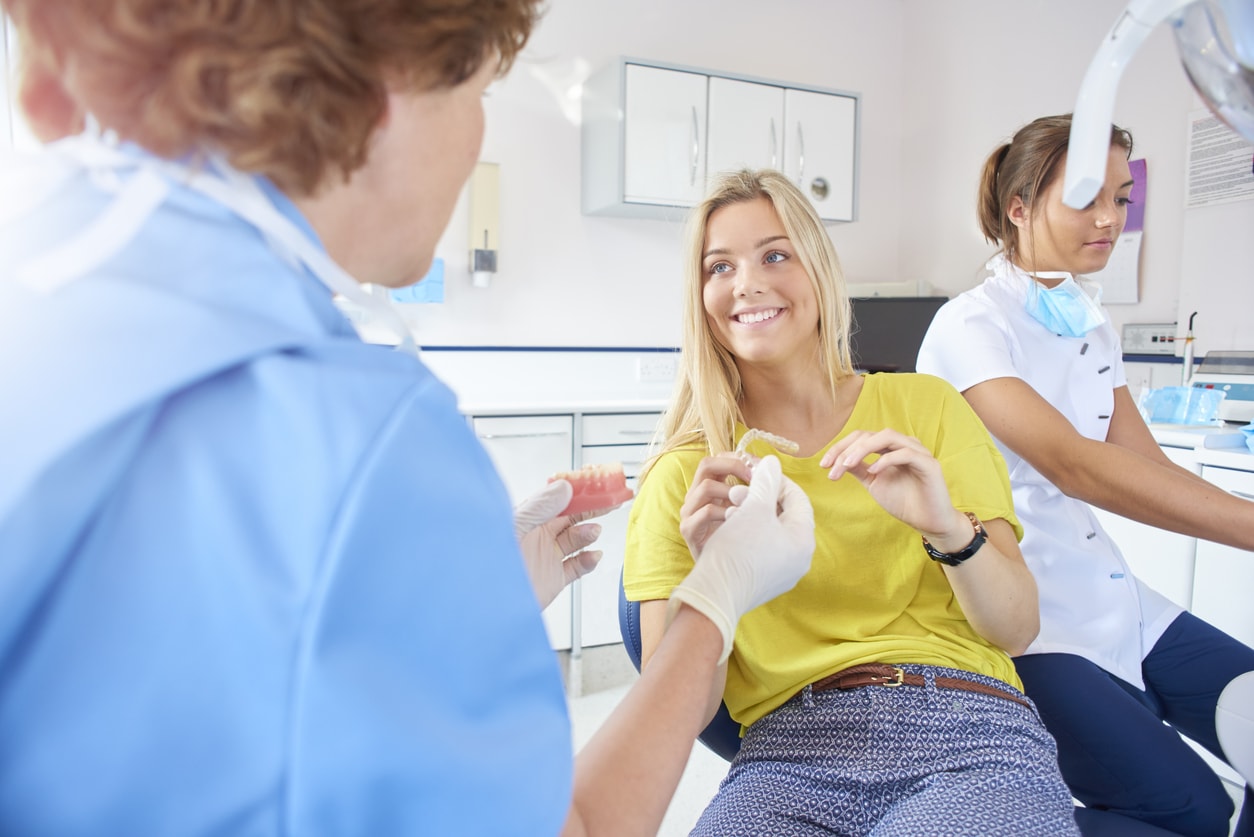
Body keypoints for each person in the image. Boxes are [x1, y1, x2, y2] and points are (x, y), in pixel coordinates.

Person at [0, 2, 817, 835]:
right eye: (475, 91)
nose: (475, 138)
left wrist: (464, 591)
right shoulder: (364, 434)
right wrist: (715, 601)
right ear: (386, 85)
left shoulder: (46, 279)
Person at [623, 167, 1082, 836]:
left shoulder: (926, 410)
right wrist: (712, 577)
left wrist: (948, 528)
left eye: (774, 255)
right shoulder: (687, 477)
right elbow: (677, 716)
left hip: (964, 730)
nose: (747, 282)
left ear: (819, 271)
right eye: (719, 265)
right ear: (700, 296)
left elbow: (1015, 628)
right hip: (787, 757)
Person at [916, 113, 1254, 837]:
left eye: (1122, 198)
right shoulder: (969, 326)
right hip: (1024, 618)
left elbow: (1144, 467)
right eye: (1086, 198)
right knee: (1194, 808)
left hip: (1111, 592)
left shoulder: (1089, 324)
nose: (1109, 219)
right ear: (1018, 207)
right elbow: (1074, 464)